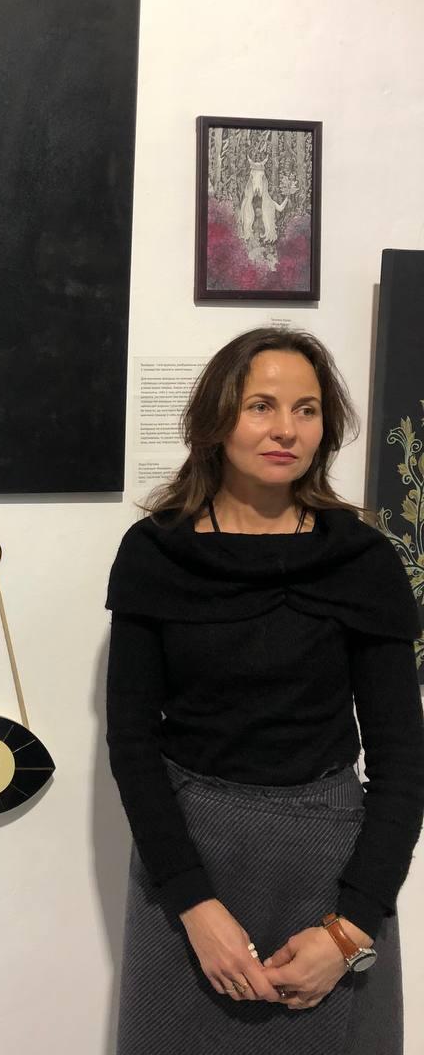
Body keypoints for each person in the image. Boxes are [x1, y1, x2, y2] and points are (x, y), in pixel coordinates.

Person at [105, 327, 423, 1054]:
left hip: (331, 866)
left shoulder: (363, 561)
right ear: (217, 419)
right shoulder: (156, 553)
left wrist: (351, 928)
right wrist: (193, 904)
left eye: (307, 410)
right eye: (262, 406)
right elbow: (132, 743)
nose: (287, 429)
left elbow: (403, 760)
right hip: (188, 862)